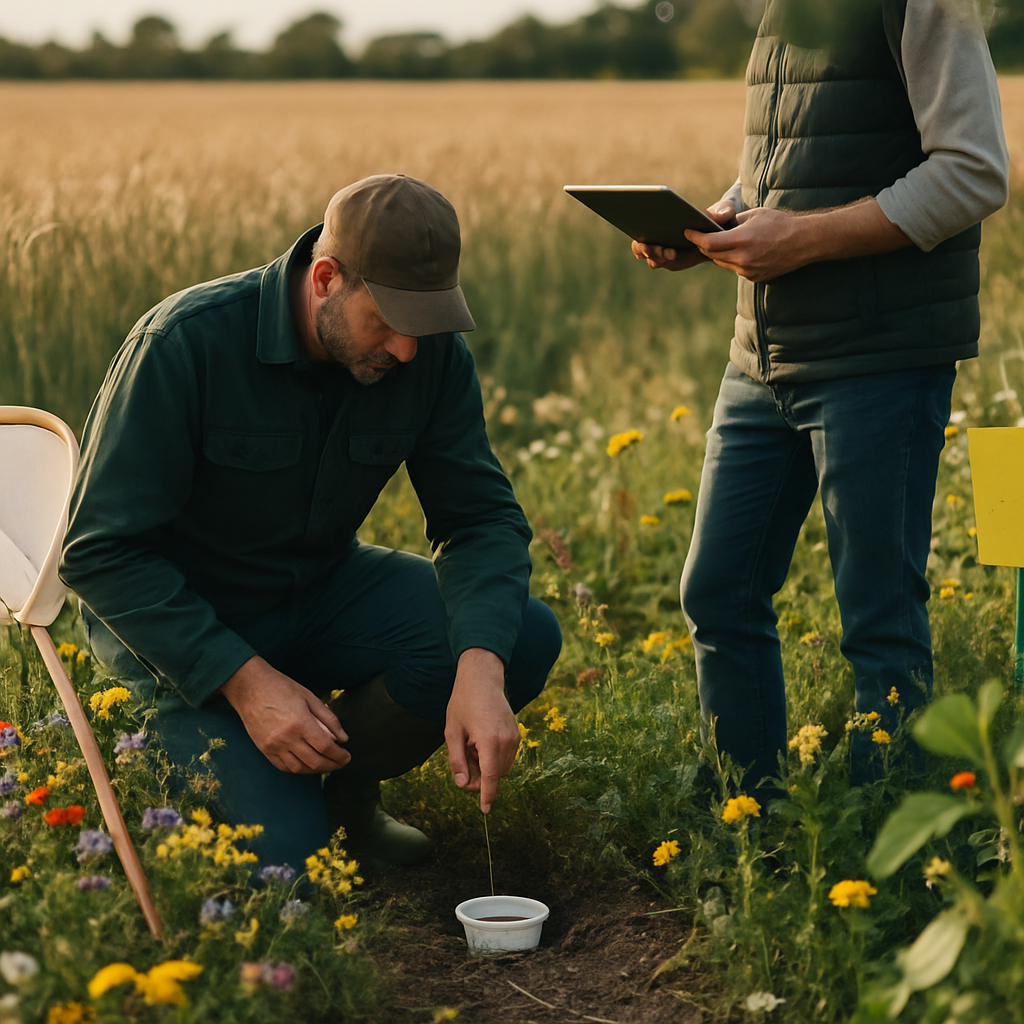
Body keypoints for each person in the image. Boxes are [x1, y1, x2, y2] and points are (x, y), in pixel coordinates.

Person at [60, 173, 562, 868]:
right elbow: (98, 552)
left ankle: (345, 790)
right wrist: (246, 682)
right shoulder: (185, 342)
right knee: (290, 868)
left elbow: (480, 520)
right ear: (325, 279)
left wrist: (479, 671)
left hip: (319, 594)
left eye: (423, 325)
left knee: (519, 638)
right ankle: (261, 778)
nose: (407, 350)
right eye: (387, 321)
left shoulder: (429, 351)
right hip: (186, 633)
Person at [633, 0, 1009, 790]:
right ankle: (748, 824)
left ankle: (891, 838)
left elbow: (973, 170)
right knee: (718, 593)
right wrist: (722, 219)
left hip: (881, 357)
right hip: (761, 356)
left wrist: (799, 238)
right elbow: (800, 156)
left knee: (879, 621)